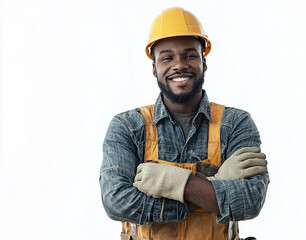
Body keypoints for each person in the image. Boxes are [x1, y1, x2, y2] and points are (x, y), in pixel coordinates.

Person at [99, 7, 269, 240]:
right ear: (154, 68)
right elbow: (116, 201)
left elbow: (250, 202)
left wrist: (174, 183)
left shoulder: (236, 124)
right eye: (167, 57)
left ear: (203, 62)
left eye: (190, 55)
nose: (179, 64)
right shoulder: (128, 127)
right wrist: (212, 189)